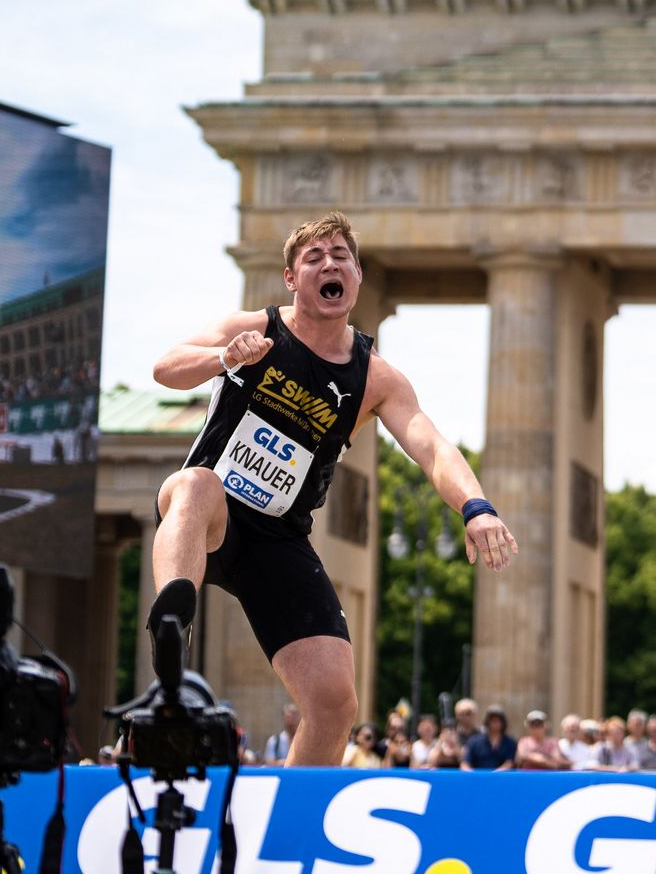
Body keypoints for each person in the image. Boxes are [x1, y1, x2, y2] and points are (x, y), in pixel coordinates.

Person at [145, 213, 518, 766]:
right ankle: (173, 625)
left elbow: (432, 445)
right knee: (194, 484)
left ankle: (287, 820)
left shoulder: (375, 378)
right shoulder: (255, 328)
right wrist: (224, 360)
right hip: (211, 516)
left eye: (340, 255)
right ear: (292, 279)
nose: (329, 264)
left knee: (335, 704)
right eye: (314, 257)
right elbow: (165, 368)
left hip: (278, 540)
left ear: (358, 277)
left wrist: (476, 506)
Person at [464, 706, 517, 771]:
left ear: (503, 722)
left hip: (502, 778)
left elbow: (509, 763)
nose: (495, 722)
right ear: (487, 721)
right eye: (492, 719)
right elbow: (465, 763)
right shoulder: (474, 741)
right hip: (477, 778)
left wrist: (493, 775)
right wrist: (473, 775)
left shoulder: (510, 742)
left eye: (499, 719)